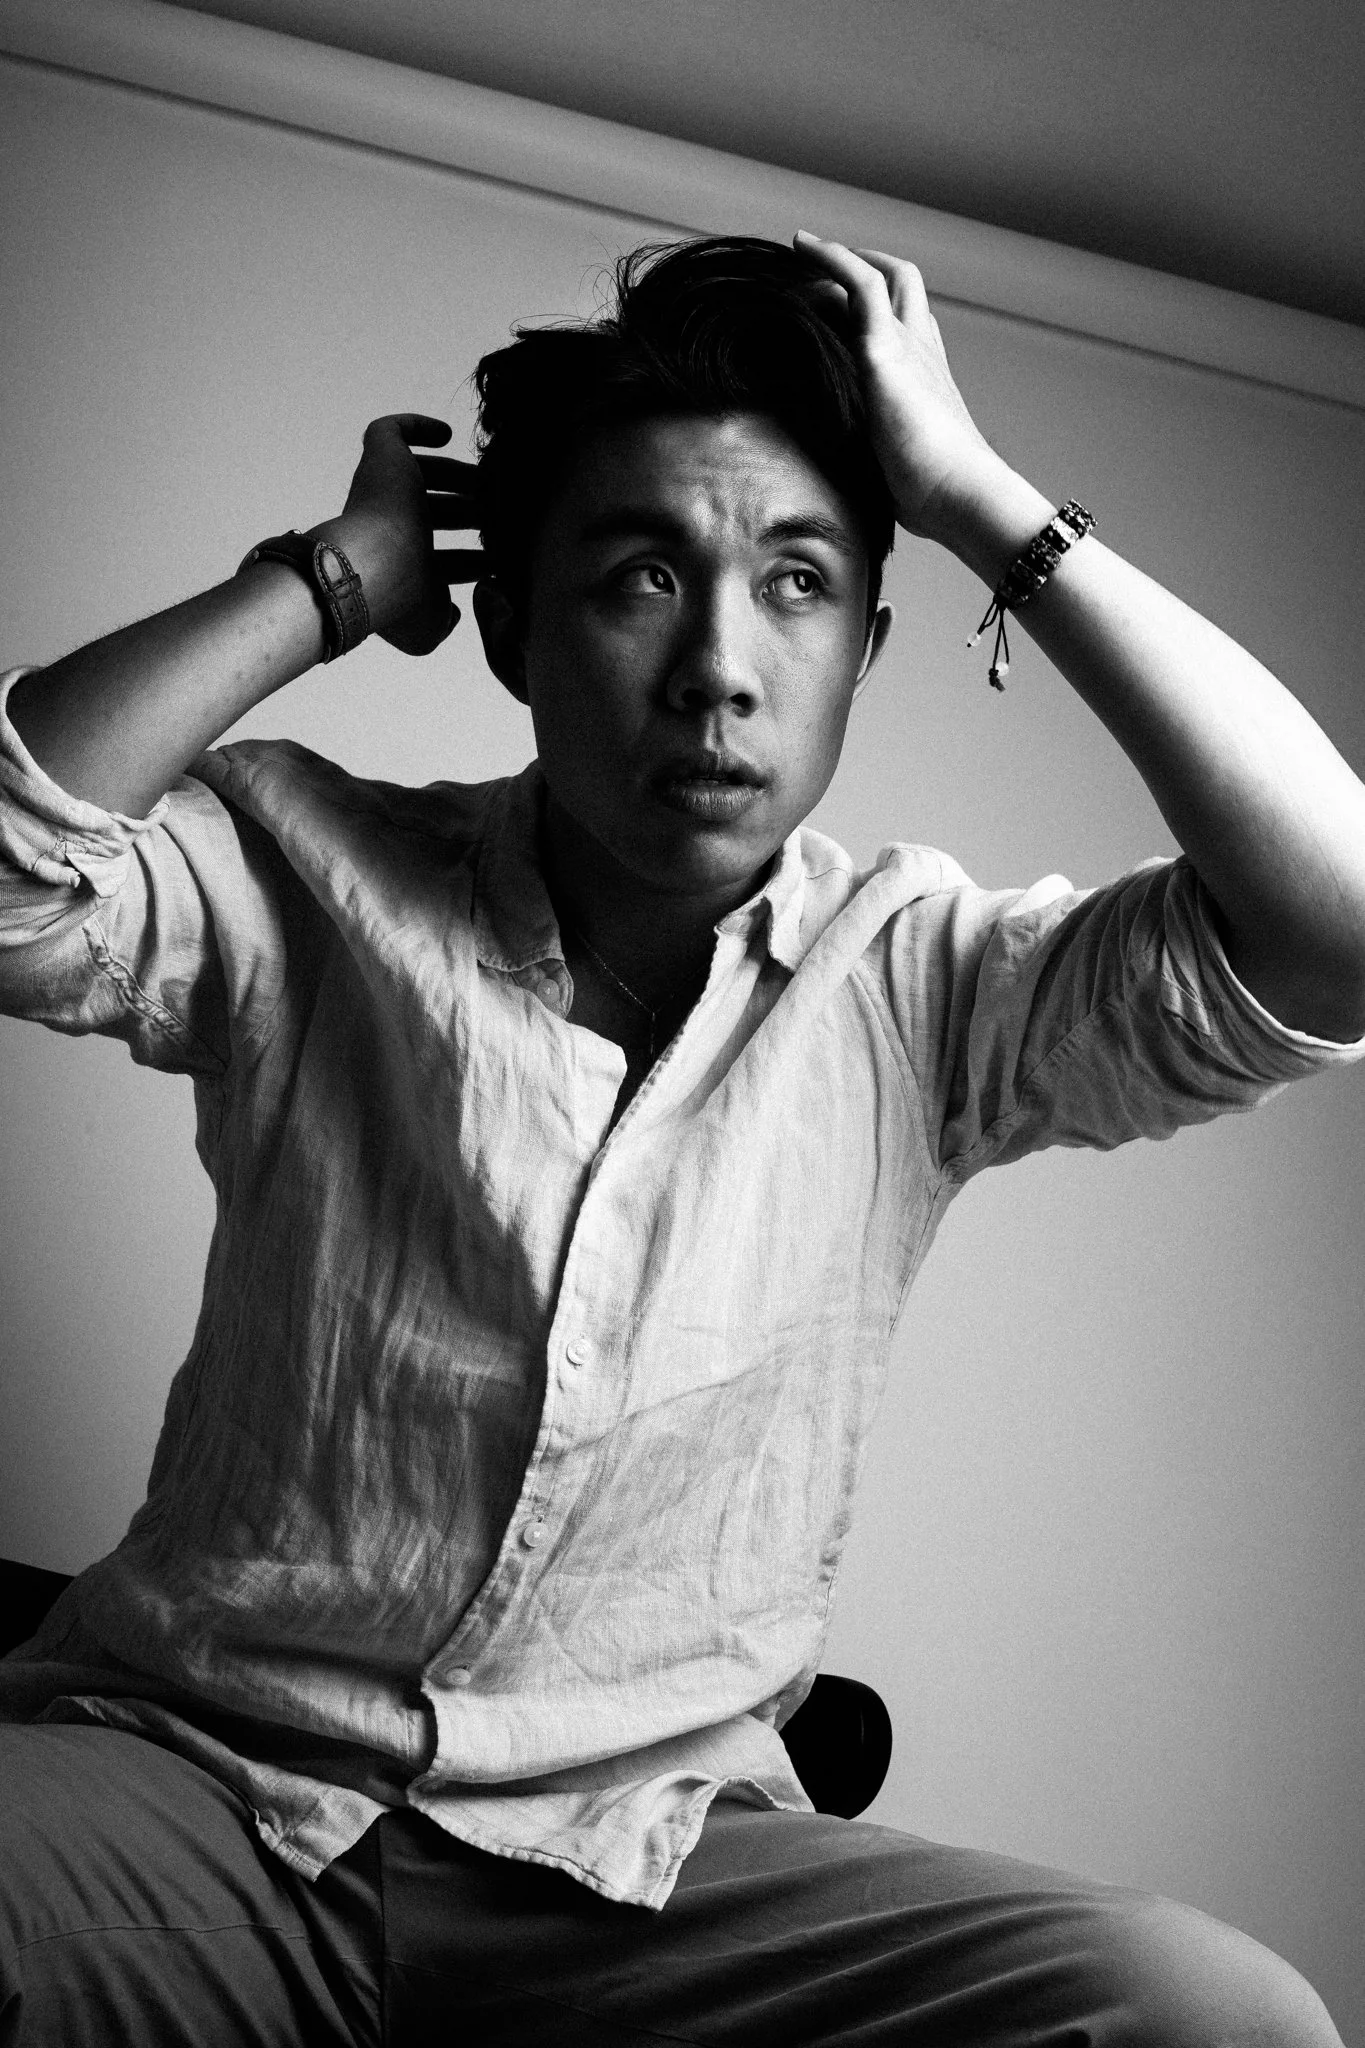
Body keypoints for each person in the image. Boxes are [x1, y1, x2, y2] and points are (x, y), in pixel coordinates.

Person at [0, 231, 1358, 2045]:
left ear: (869, 647)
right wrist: (331, 576)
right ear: (514, 628)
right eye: (643, 574)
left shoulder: (932, 988)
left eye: (797, 583)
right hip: (211, 1801)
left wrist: (974, 499)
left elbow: (1337, 928)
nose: (717, 667)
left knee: (1212, 2017)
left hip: (647, 1873)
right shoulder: (303, 874)